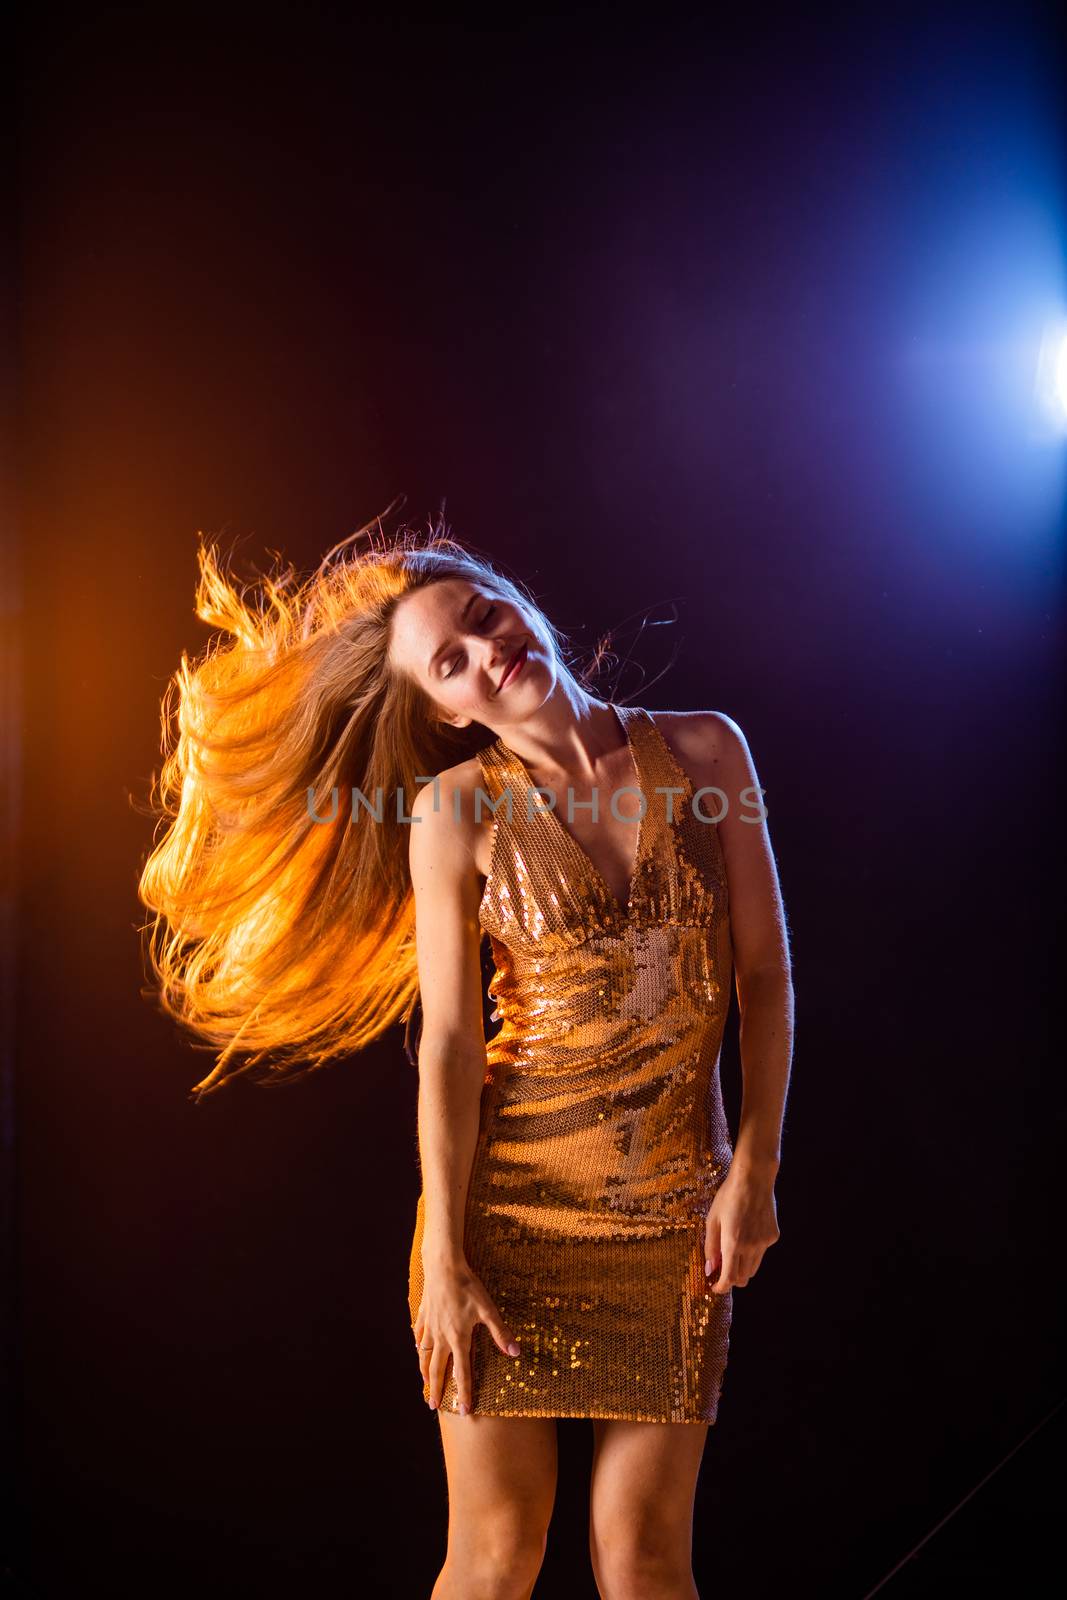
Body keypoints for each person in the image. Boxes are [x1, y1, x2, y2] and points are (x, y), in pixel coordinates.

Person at [138, 512, 793, 1600]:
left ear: (518, 600)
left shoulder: (706, 751)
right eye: (453, 660)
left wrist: (755, 1168)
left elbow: (763, 977)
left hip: (674, 1219)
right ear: (442, 707)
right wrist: (442, 1255)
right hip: (502, 1215)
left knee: (642, 1558)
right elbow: (446, 1046)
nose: (491, 652)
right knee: (495, 1557)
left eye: (487, 617)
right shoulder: (452, 811)